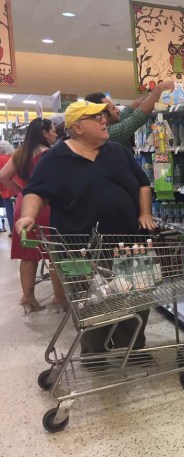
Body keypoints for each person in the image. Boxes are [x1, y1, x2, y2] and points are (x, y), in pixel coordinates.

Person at [16, 101, 157, 356]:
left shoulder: (117, 151)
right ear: (78, 127)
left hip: (128, 245)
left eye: (104, 115)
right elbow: (35, 192)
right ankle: (95, 354)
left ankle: (132, 349)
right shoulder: (54, 159)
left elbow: (142, 184)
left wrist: (145, 213)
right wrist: (28, 216)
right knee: (89, 303)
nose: (105, 120)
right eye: (96, 117)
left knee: (135, 298)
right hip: (78, 249)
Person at [0, 117, 63, 313]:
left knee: (28, 255)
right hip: (43, 205)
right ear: (44, 133)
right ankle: (60, 298)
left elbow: (2, 176)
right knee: (53, 254)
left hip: (23, 204)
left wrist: (21, 191)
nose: (55, 134)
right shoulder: (49, 154)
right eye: (53, 130)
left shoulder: (20, 152)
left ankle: (28, 296)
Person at [84, 80, 175, 153]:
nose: (118, 110)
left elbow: (131, 108)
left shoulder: (115, 120)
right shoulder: (108, 133)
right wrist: (159, 89)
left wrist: (152, 94)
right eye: (113, 108)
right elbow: (137, 117)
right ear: (103, 115)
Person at [0, 140, 17, 236]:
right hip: (17, 188)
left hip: (6, 189)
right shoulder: (13, 157)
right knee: (18, 210)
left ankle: (12, 231)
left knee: (10, 212)